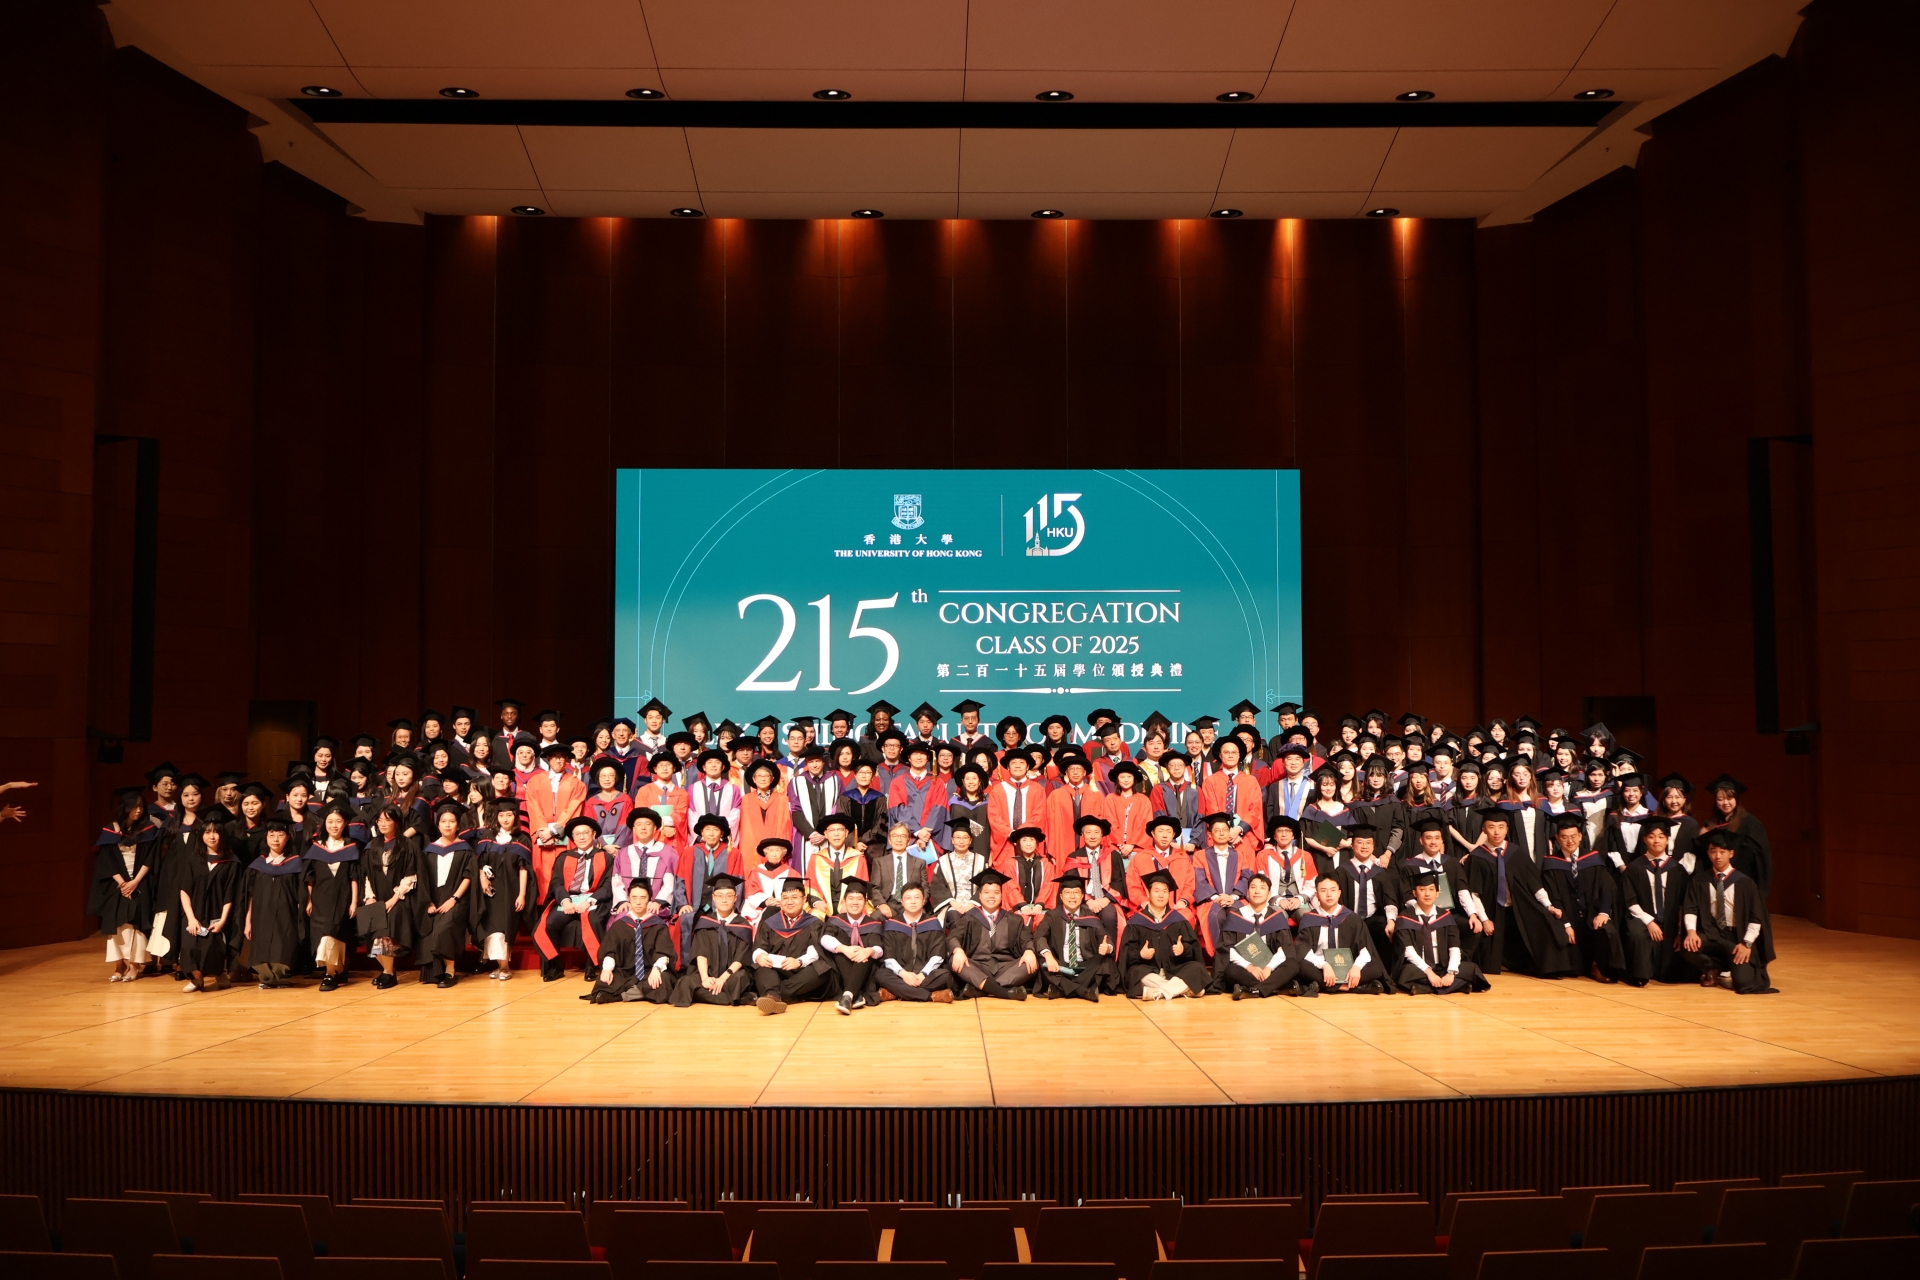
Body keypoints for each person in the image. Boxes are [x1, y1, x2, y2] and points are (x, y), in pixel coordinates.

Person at [1681, 830, 1778, 994]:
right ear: (1708, 853)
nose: (1717, 856)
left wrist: (1747, 944)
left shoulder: (1745, 883)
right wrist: (1691, 932)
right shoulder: (1700, 880)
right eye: (1713, 851)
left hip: (1737, 937)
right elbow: (1690, 908)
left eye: (1722, 851)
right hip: (1712, 934)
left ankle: (1733, 966)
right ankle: (1712, 968)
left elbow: (1756, 918)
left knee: (1744, 984)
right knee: (1689, 946)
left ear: (1731, 853)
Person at [1540, 810, 1623, 983]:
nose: (1569, 841)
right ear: (1557, 838)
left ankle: (1599, 966)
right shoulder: (1550, 863)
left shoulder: (1593, 858)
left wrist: (1604, 912)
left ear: (1580, 836)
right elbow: (1553, 896)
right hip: (1567, 915)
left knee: (1607, 930)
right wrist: (1566, 924)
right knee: (1556, 934)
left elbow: (1607, 888)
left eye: (1573, 836)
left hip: (1592, 914)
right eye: (1564, 837)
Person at [535, 816, 615, 982]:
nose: (582, 836)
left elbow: (607, 886)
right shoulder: (564, 857)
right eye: (577, 834)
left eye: (585, 832)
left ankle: (591, 966)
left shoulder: (605, 857)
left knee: (593, 920)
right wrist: (565, 901)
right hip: (569, 900)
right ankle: (555, 966)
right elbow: (556, 883)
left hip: (594, 901)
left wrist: (589, 901)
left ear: (594, 835)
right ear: (572, 837)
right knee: (549, 923)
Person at [89, 792, 156, 983]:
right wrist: (122, 883)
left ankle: (135, 965)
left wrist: (135, 882)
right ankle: (119, 965)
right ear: (124, 808)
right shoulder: (111, 830)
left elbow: (150, 858)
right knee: (115, 924)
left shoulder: (147, 829)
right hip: (117, 883)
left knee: (136, 923)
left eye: (141, 807)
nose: (138, 811)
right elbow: (106, 860)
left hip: (140, 881)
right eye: (135, 807)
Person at [1620, 816, 1694, 987]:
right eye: (1652, 836)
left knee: (1671, 972)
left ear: (1667, 840)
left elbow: (1684, 904)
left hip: (1669, 923)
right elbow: (1630, 900)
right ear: (1645, 839)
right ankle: (1640, 975)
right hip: (1641, 918)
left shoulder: (1677, 869)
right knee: (1637, 933)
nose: (1656, 841)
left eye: (1661, 836)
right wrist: (1649, 921)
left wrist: (1679, 931)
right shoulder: (1635, 867)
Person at [947, 867, 1037, 1000]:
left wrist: (1029, 951)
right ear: (980, 895)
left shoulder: (1014, 919)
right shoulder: (969, 917)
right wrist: (958, 950)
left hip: (1006, 967)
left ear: (1001, 895)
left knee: (1030, 963)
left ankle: (981, 989)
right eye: (987, 892)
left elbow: (1027, 938)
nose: (991, 896)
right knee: (954, 959)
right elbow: (953, 936)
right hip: (978, 966)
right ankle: (1004, 992)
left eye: (996, 892)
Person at [1119, 868, 1208, 1000]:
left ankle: (1158, 993)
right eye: (1156, 891)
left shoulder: (1178, 921)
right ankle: (1180, 990)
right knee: (1135, 973)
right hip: (1149, 972)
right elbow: (1126, 955)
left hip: (1175, 971)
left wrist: (1183, 950)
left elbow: (1194, 952)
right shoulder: (1136, 923)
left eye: (1165, 891)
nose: (1161, 895)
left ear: (1169, 895)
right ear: (1148, 893)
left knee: (1197, 969)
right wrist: (1140, 954)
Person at [585, 880, 678, 1004]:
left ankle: (620, 996)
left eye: (642, 898)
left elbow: (663, 952)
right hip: (625, 972)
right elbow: (610, 951)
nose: (638, 902)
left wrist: (656, 969)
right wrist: (607, 969)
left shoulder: (658, 925)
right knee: (604, 979)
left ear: (649, 899)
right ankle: (637, 992)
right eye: (634, 898)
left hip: (649, 971)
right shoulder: (619, 925)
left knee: (664, 980)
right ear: (628, 898)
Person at [1395, 872, 1488, 994]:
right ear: (1414, 893)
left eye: (1431, 889)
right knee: (1405, 973)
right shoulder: (1404, 917)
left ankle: (1424, 988)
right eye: (1422, 890)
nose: (1427, 894)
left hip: (1443, 966)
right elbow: (1408, 951)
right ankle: (1457, 986)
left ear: (1437, 893)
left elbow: (1454, 947)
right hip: (1420, 968)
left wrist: (1451, 972)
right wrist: (1429, 973)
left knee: (1472, 969)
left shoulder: (1445, 916)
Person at [1294, 874, 1388, 995]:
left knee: (1376, 968)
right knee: (1301, 966)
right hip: (1321, 967)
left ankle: (1328, 986)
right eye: (1323, 891)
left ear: (1339, 893)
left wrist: (1356, 967)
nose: (1329, 895)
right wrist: (1324, 965)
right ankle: (1354, 987)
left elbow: (1365, 949)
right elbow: (1303, 950)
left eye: (1333, 890)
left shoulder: (1352, 918)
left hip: (1348, 967)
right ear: (1316, 895)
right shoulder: (1309, 919)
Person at [358, 805, 419, 990]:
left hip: (400, 899)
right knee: (372, 930)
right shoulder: (372, 846)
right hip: (376, 899)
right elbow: (366, 875)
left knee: (385, 930)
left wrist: (395, 898)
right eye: (380, 820)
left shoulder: (407, 845)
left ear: (397, 823)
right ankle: (388, 971)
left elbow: (411, 876)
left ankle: (387, 973)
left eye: (388, 820)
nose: (383, 824)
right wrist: (369, 898)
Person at [305, 802, 363, 991]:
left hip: (343, 898)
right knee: (324, 934)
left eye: (338, 821)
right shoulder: (316, 847)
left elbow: (354, 877)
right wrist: (308, 899)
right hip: (321, 899)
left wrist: (354, 901)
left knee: (336, 933)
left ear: (346, 823)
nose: (334, 825)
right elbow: (310, 877)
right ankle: (333, 971)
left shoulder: (351, 847)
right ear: (324, 823)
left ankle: (332, 973)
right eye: (330, 821)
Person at [416, 801, 475, 987]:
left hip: (457, 899)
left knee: (445, 927)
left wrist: (454, 899)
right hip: (433, 899)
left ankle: (450, 971)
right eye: (443, 821)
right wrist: (427, 902)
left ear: (458, 825)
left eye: (452, 821)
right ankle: (436, 972)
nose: (447, 825)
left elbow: (468, 876)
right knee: (429, 929)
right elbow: (423, 878)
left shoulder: (465, 848)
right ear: (438, 824)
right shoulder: (429, 850)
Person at [176, 822, 240, 992]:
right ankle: (197, 978)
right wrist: (190, 918)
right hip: (194, 911)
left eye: (215, 832)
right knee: (189, 946)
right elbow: (185, 890)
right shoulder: (194, 860)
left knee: (213, 948)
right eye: (207, 832)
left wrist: (223, 920)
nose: (211, 836)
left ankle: (220, 976)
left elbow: (230, 894)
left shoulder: (231, 862)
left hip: (217, 912)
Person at [1213, 872, 1298, 999]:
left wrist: (1269, 968)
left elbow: (1284, 949)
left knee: (1292, 965)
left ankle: (1251, 990)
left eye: (1262, 888)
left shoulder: (1276, 917)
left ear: (1269, 894)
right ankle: (1276, 988)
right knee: (1230, 969)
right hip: (1245, 969)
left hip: (1271, 969)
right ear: (1247, 892)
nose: (1257, 891)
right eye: (1253, 887)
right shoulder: (1235, 916)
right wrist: (1250, 967)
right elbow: (1227, 949)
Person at [750, 880, 831, 1014]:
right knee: (760, 967)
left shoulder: (813, 923)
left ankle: (774, 995)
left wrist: (799, 962)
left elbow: (815, 952)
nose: (789, 902)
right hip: (775, 969)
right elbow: (760, 946)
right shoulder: (770, 923)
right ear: (780, 900)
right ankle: (782, 996)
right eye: (785, 898)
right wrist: (759, 956)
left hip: (801, 971)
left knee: (822, 970)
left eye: (794, 897)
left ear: (804, 899)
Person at [244, 821, 307, 988]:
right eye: (271, 835)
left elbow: (301, 894)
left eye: (280, 835)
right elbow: (250, 895)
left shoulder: (295, 864)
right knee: (262, 944)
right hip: (261, 914)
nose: (276, 839)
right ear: (266, 838)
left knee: (283, 944)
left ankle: (281, 978)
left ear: (288, 838)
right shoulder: (257, 866)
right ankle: (265, 978)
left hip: (286, 913)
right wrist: (248, 920)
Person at [471, 805, 532, 981]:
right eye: (502, 815)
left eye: (509, 815)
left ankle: (505, 967)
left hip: (510, 890)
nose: (505, 819)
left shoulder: (522, 839)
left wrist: (522, 894)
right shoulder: (487, 838)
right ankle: (500, 966)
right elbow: (480, 862)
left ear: (515, 817)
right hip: (490, 890)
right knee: (492, 928)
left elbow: (523, 869)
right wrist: (482, 878)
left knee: (504, 928)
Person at [1034, 870, 1113, 1001]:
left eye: (1076, 892)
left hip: (1084, 965)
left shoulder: (1090, 915)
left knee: (1104, 960)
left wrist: (1108, 947)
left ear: (1082, 896)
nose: (1072, 897)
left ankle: (1061, 990)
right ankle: (1084, 991)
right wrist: (1048, 956)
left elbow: (1106, 939)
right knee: (1042, 960)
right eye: (1067, 893)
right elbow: (1039, 936)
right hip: (1061, 965)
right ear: (1061, 896)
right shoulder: (1052, 916)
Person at [875, 883, 956, 1003]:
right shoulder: (892, 924)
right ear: (902, 901)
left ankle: (895, 992)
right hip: (901, 974)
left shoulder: (933, 923)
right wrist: (904, 974)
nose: (913, 902)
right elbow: (889, 958)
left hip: (926, 975)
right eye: (908, 898)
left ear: (923, 900)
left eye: (917, 897)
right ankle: (931, 996)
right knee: (880, 974)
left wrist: (923, 974)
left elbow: (937, 955)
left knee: (945, 975)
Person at [820, 876, 887, 1013]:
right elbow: (825, 938)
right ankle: (855, 995)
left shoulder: (873, 923)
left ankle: (847, 995)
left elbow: (879, 948)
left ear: (865, 902)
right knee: (839, 950)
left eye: (859, 899)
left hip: (865, 970)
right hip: (839, 970)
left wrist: (869, 951)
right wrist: (844, 949)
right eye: (851, 898)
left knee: (864, 954)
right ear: (844, 902)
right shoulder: (835, 920)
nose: (855, 903)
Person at [1700, 774, 1772, 898]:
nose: (1725, 803)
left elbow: (1755, 855)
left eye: (1729, 798)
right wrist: (1703, 839)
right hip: (1715, 881)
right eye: (1720, 799)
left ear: (1736, 799)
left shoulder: (1750, 823)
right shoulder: (1711, 824)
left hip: (1741, 882)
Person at [869, 822, 930, 918]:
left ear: (908, 840)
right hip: (888, 903)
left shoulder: (919, 863)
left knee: (923, 918)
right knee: (875, 917)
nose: (899, 839)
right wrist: (881, 904)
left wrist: (919, 903)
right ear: (889, 840)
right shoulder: (879, 862)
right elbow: (874, 888)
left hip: (911, 902)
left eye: (903, 836)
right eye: (895, 836)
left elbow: (925, 887)